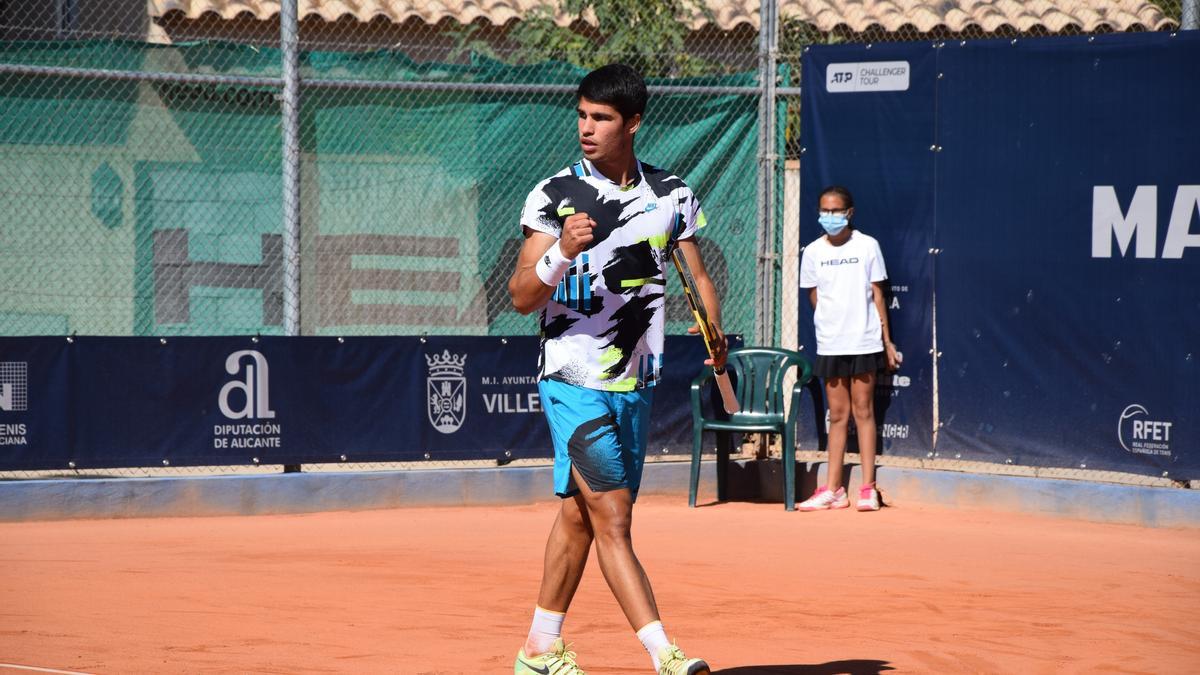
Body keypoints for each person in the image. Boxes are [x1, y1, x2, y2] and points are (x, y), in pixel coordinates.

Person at [508, 63, 723, 675]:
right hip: (572, 378)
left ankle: (539, 650)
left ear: (632, 123)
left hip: (636, 380)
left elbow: (700, 279)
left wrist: (715, 335)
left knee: (580, 513)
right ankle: (667, 654)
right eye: (581, 115)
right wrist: (562, 251)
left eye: (600, 118)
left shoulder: (672, 194)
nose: (586, 128)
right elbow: (522, 294)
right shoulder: (551, 195)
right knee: (614, 513)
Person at [797, 185, 899, 512]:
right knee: (838, 416)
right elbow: (815, 298)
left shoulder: (868, 246)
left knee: (864, 412)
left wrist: (886, 341)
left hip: (865, 340)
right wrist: (833, 325)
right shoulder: (812, 252)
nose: (829, 217)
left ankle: (868, 488)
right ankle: (834, 490)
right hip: (831, 343)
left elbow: (878, 295)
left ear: (849, 212)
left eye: (835, 211)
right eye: (824, 211)